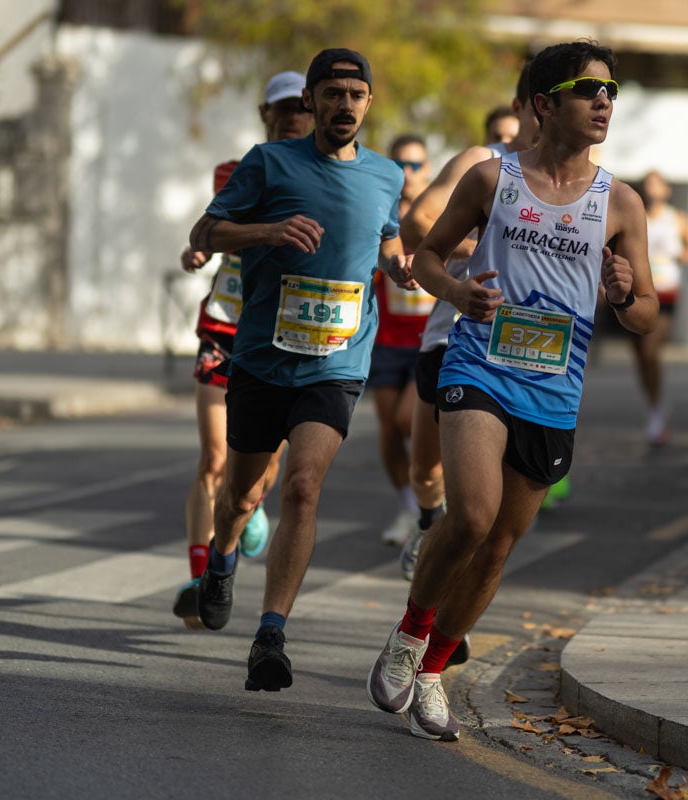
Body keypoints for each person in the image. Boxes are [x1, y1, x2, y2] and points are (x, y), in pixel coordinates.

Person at [366, 40, 657, 742]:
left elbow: (647, 314)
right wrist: (457, 292)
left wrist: (625, 296)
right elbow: (425, 256)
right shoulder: (493, 181)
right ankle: (409, 636)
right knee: (470, 515)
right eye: (589, 90)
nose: (603, 103)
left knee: (498, 547)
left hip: (554, 388)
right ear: (542, 104)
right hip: (478, 366)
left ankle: (434, 672)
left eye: (611, 91)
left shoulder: (620, 201)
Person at [187, 48, 410, 692]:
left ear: (369, 104)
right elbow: (208, 231)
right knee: (241, 494)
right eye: (333, 93)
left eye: (356, 94)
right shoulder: (268, 163)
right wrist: (270, 231)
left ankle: (271, 634)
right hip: (262, 355)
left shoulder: (386, 175)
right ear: (311, 101)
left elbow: (387, 237)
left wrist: (398, 266)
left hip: (338, 360)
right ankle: (222, 558)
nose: (345, 104)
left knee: (304, 487)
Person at [171, 71, 313, 629]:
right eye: (282, 109)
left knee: (258, 468)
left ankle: (245, 504)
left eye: (301, 108)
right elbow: (216, 228)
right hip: (225, 323)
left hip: (282, 330)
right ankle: (201, 574)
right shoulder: (235, 171)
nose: (292, 118)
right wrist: (199, 253)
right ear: (265, 113)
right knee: (211, 457)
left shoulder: (325, 175)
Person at [397, 61, 539, 584]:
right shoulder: (485, 161)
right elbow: (417, 224)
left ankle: (441, 615)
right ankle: (427, 523)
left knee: (485, 511)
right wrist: (485, 249)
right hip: (452, 335)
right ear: (526, 107)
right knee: (428, 475)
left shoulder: (575, 185)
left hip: (525, 351)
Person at [371, 133, 435, 547]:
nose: (407, 174)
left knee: (406, 420)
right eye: (400, 165)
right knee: (389, 435)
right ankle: (409, 509)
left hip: (428, 339)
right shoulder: (380, 210)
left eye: (415, 165)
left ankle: (431, 503)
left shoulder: (439, 212)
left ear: (427, 170)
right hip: (384, 338)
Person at [632, 170, 688, 445]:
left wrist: (683, 255)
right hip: (638, 292)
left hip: (666, 292)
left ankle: (656, 410)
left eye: (656, 183)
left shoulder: (676, 218)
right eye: (647, 183)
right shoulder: (637, 216)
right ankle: (654, 405)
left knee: (651, 349)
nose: (651, 187)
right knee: (641, 358)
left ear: (666, 190)